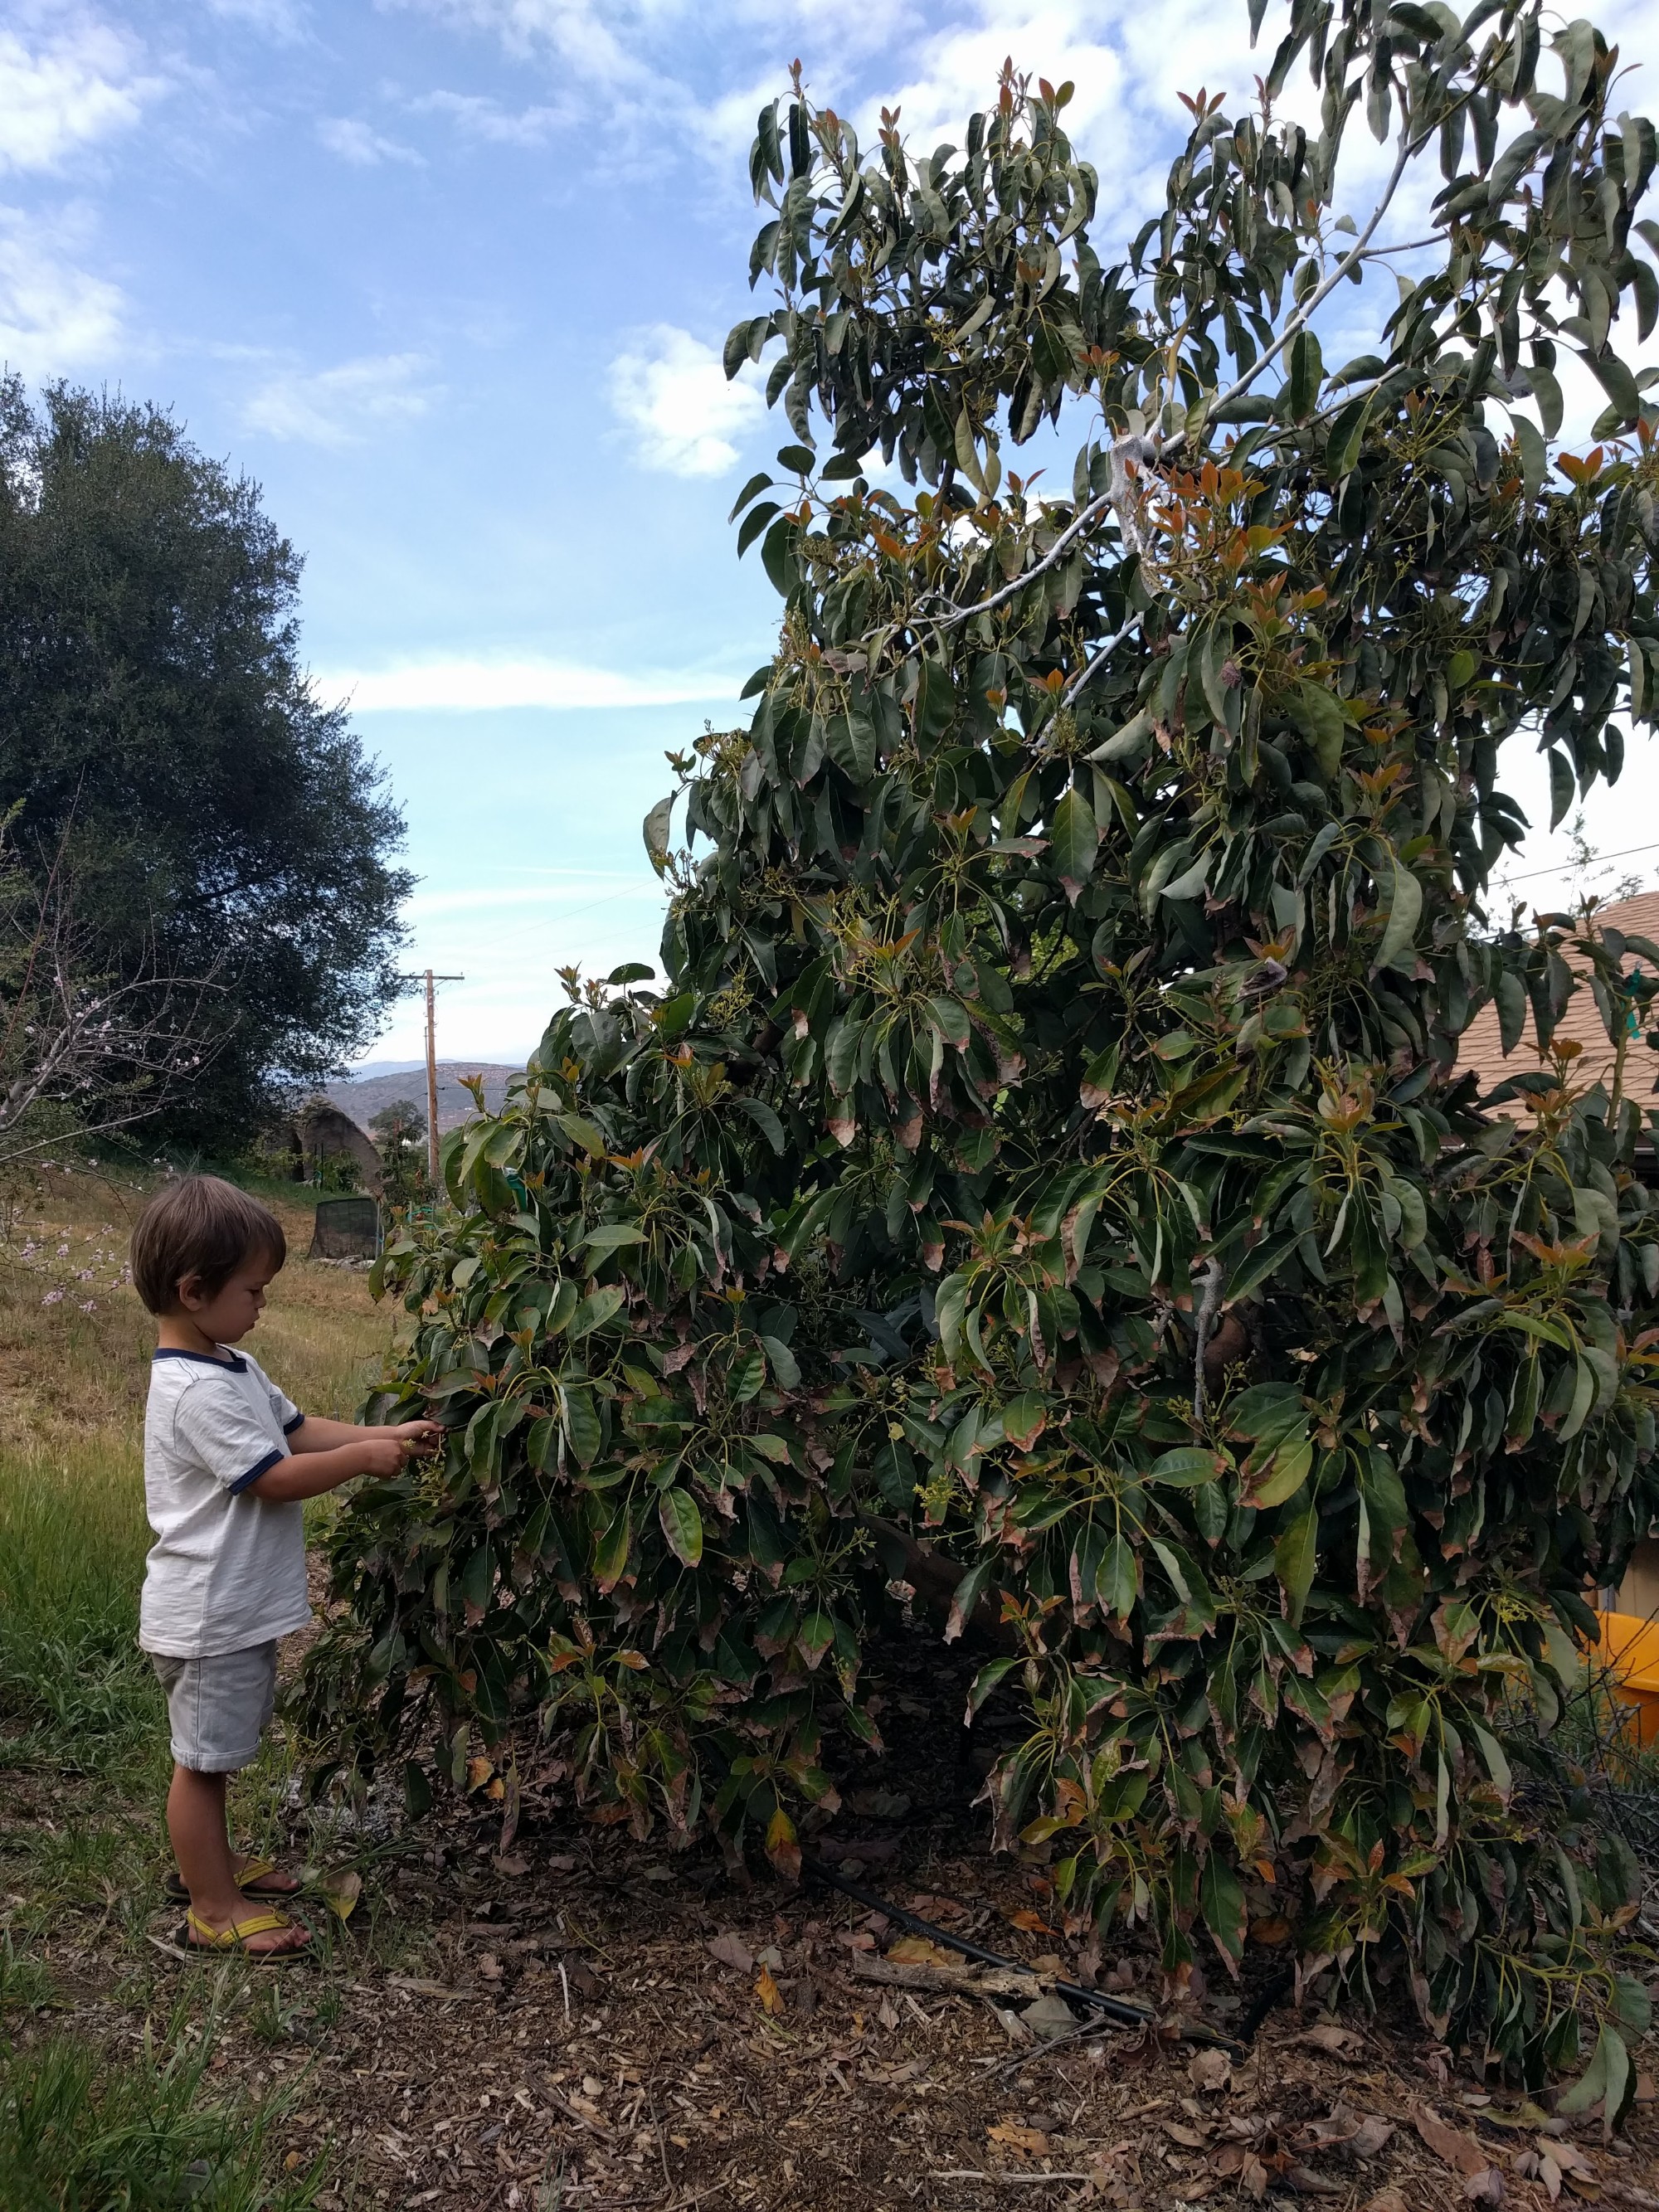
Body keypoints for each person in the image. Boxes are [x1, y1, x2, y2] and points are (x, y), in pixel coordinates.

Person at [129, 1174, 439, 1960]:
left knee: (218, 1750)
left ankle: (216, 1866)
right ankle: (212, 1907)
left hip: (230, 1609)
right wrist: (364, 1461)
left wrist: (378, 1430)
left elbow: (296, 1430)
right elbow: (271, 1474)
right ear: (194, 1291)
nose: (262, 1302)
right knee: (201, 1764)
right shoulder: (192, 1390)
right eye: (253, 1289)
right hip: (207, 1614)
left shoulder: (232, 1362)